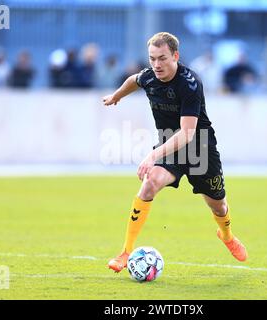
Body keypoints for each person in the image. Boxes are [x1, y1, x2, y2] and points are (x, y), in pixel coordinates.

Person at [102, 32, 247, 273]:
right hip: (169, 145)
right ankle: (126, 251)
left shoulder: (190, 83)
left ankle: (227, 235)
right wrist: (117, 96)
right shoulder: (149, 77)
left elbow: (188, 134)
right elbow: (133, 80)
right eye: (152, 59)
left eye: (162, 58)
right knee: (149, 184)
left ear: (175, 56)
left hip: (199, 146)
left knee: (218, 205)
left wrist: (152, 155)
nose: (156, 65)